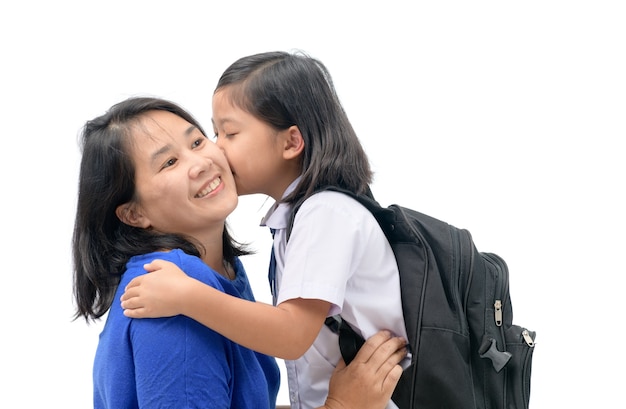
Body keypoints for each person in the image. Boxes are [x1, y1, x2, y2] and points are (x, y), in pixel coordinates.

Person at [72, 96, 406, 409]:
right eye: (169, 162)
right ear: (134, 214)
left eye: (198, 141)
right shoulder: (173, 299)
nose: (200, 163)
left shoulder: (217, 274)